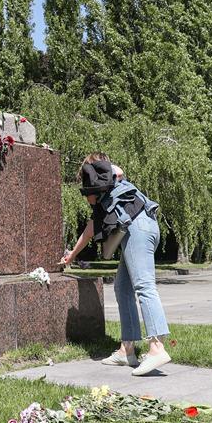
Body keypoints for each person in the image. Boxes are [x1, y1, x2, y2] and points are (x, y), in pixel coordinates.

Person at [60, 153, 172, 375]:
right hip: (139, 228)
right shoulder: (108, 195)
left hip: (137, 229)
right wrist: (72, 254)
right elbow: (92, 228)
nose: (86, 194)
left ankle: (157, 348)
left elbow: (117, 170)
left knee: (144, 286)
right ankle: (127, 350)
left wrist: (101, 168)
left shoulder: (113, 179)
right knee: (123, 287)